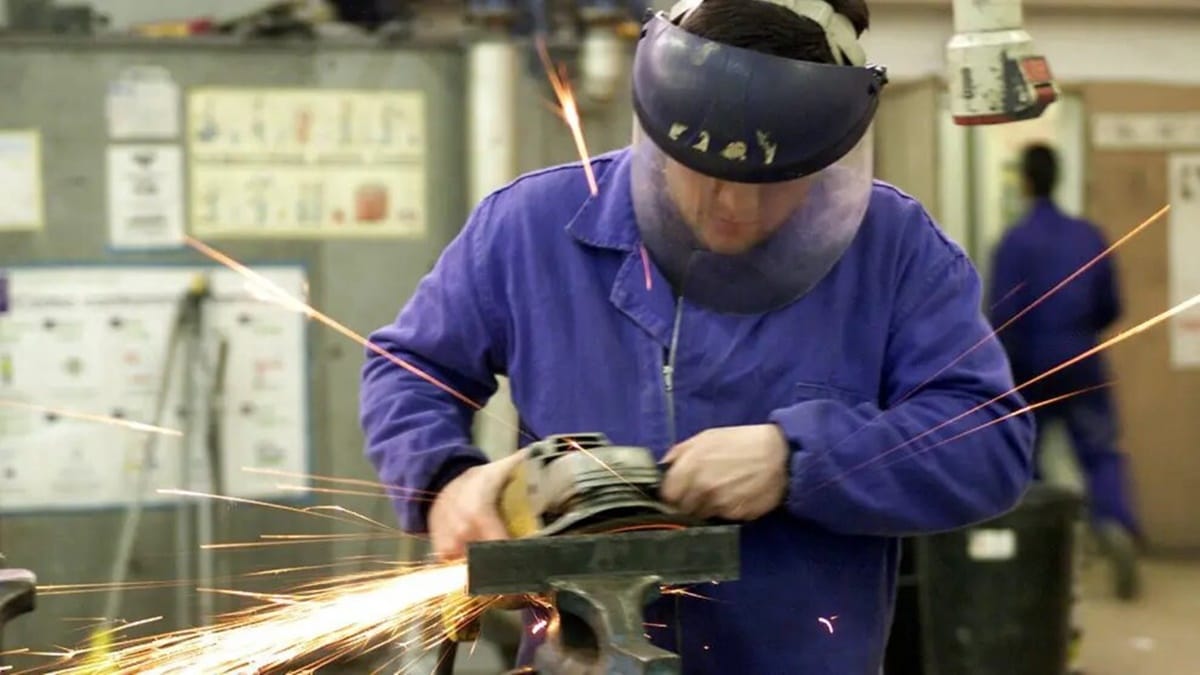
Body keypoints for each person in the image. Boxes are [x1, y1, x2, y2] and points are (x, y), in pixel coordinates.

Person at [360, 0, 1036, 672]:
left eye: (775, 178)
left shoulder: (895, 252)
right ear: (662, 129)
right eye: (708, 172)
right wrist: (446, 481)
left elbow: (988, 446)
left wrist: (797, 458)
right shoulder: (529, 228)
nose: (737, 207)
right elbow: (408, 367)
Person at [989, 142, 1142, 600]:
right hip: (1083, 362)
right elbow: (1110, 305)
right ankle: (1114, 524)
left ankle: (1033, 551)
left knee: (1024, 456)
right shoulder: (1089, 236)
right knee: (1099, 451)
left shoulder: (1014, 243)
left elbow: (1002, 316)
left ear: (1027, 182)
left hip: (1031, 367)